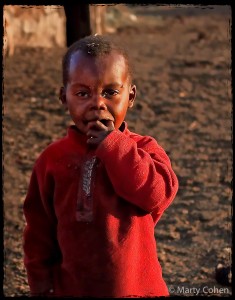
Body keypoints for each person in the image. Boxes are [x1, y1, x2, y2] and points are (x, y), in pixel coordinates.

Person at [23, 34, 179, 297]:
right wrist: (40, 284)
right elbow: (39, 231)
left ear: (130, 96)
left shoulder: (144, 150)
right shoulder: (52, 159)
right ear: (64, 98)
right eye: (83, 93)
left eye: (110, 92)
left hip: (138, 290)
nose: (97, 103)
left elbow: (157, 196)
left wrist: (115, 146)